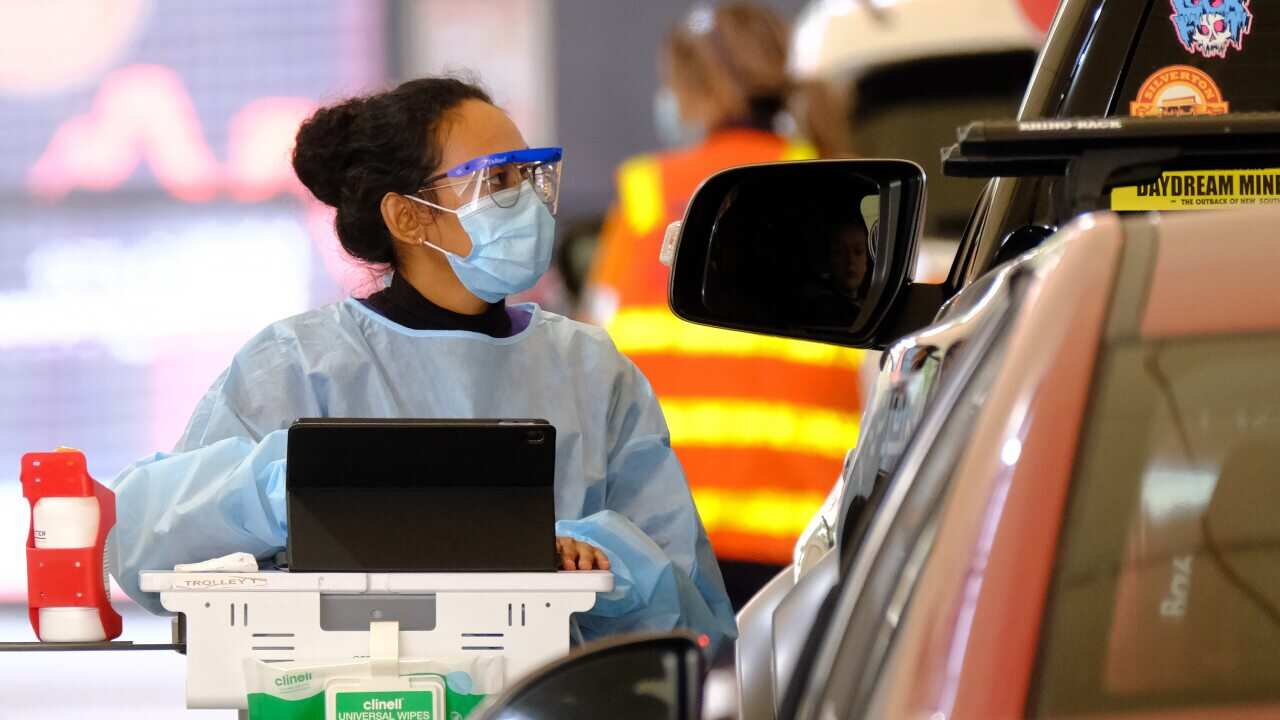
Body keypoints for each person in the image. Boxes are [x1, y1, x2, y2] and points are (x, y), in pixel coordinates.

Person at [106, 77, 737, 652]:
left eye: (531, 176)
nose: (528, 202)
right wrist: (286, 486)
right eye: (496, 182)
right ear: (407, 215)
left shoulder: (592, 374)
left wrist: (596, 562)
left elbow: (696, 618)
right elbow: (139, 542)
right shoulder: (299, 366)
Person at [583, 3, 866, 606]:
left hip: (672, 536)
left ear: (693, 92)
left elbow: (591, 357)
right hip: (805, 544)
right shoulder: (834, 190)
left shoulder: (648, 195)